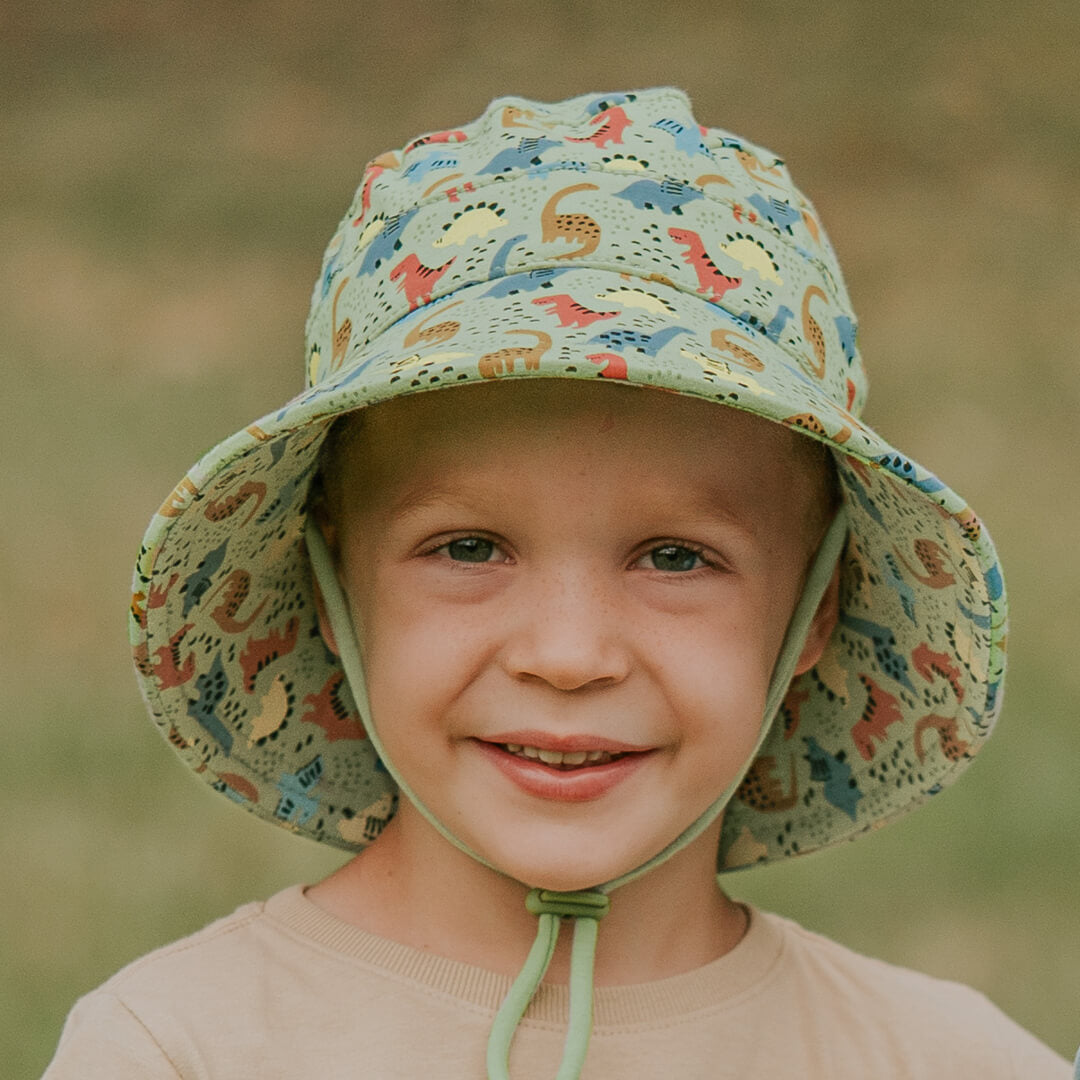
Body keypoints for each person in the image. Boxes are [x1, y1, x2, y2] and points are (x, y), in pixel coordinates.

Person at [44, 87, 1071, 1078]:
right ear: (329, 584)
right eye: (469, 548)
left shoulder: (945, 1062)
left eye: (676, 557)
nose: (568, 655)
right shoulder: (180, 1050)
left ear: (816, 608)